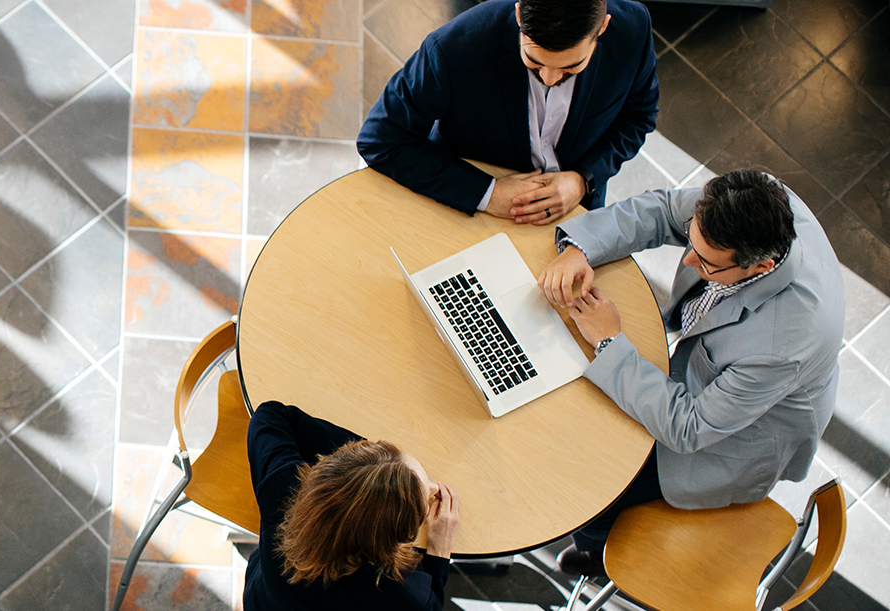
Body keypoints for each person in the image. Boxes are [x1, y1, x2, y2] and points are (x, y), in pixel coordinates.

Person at [538, 169, 842, 576]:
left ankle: (598, 551)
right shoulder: (754, 200)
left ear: (759, 267)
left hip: (731, 443)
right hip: (715, 378)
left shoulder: (782, 346)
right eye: (692, 242)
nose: (687, 259)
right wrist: (581, 248)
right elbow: (664, 210)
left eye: (707, 263)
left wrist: (609, 341)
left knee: (596, 478)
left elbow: (689, 428)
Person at [357, 0, 658, 223]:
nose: (550, 79)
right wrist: (488, 193)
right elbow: (380, 139)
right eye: (534, 61)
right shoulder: (456, 47)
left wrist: (583, 179)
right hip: (465, 206)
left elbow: (638, 116)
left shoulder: (633, 30)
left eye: (571, 67)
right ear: (518, 16)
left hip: (575, 209)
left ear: (602, 28)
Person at [245, 400, 462, 610]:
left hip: (261, 599)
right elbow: (431, 606)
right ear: (395, 536)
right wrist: (439, 551)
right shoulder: (396, 592)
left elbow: (269, 415)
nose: (434, 489)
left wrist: (366, 461)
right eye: (424, 498)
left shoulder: (283, 486)